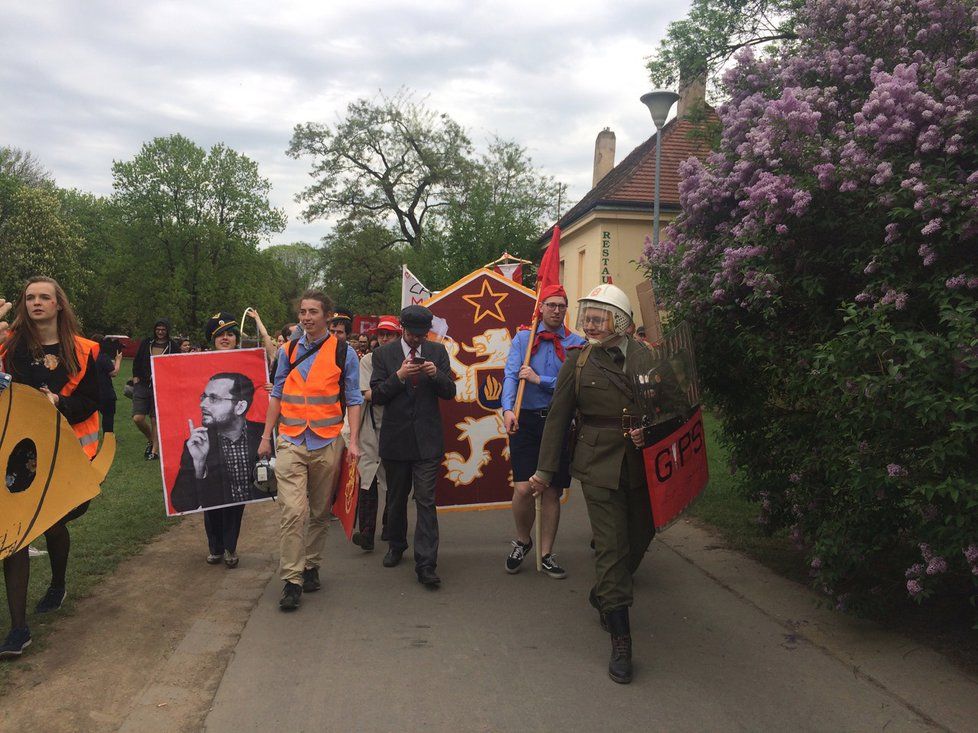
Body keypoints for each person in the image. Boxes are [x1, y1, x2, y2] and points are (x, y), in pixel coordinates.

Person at [529, 283, 659, 685]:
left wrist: (649, 432)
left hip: (641, 465)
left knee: (642, 534)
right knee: (611, 546)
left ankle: (604, 591)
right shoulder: (578, 362)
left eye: (599, 318)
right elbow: (557, 417)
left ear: (620, 321)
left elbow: (670, 406)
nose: (590, 324)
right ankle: (621, 635)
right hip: (598, 464)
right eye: (587, 316)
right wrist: (545, 472)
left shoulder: (648, 357)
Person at [0, 277, 101, 659]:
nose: (37, 303)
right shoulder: (11, 348)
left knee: (52, 523)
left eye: (45, 297)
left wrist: (58, 402)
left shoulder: (84, 350)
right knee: (17, 532)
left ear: (59, 304)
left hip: (69, 455)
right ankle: (18, 629)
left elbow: (93, 401)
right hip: (20, 453)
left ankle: (57, 583)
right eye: (30, 298)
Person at [258, 291, 362, 611]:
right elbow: (277, 394)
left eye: (313, 312)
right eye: (302, 311)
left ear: (327, 316)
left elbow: (355, 400)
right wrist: (266, 437)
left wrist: (354, 440)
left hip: (327, 441)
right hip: (290, 439)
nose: (306, 317)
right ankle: (291, 580)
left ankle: (312, 565)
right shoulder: (289, 350)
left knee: (318, 511)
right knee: (293, 510)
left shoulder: (344, 353)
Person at [501, 284, 585, 578]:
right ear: (541, 307)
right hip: (525, 420)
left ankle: (547, 553)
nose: (557, 310)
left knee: (551, 491)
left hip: (559, 422)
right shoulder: (524, 340)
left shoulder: (577, 344)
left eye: (561, 305)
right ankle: (523, 541)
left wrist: (540, 379)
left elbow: (573, 384)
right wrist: (508, 409)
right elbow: (510, 375)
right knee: (524, 488)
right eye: (551, 305)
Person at [370, 305, 456, 588]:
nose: (419, 339)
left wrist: (436, 374)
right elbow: (378, 395)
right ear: (403, 329)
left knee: (426, 500)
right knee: (396, 498)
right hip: (396, 440)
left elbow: (450, 392)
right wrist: (400, 376)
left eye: (423, 334)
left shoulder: (437, 352)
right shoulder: (383, 354)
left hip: (427, 440)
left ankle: (426, 563)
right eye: (414, 334)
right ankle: (396, 544)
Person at [350, 316, 401, 552]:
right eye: (381, 333)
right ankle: (367, 532)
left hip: (399, 426)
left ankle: (390, 525)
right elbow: (367, 393)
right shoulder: (369, 360)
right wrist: (393, 386)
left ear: (398, 335)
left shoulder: (406, 360)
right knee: (367, 478)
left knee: (395, 480)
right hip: (372, 425)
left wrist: (384, 390)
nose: (384, 338)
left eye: (389, 334)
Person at [132, 319, 179, 460]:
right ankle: (151, 439)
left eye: (163, 329)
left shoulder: (172, 346)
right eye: (158, 329)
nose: (160, 332)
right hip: (143, 384)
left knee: (154, 418)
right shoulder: (147, 343)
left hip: (162, 385)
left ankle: (155, 451)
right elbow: (137, 359)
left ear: (167, 331)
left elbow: (176, 365)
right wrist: (135, 376)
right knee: (138, 418)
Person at [92, 334, 123, 433]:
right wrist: (118, 360)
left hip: (92, 392)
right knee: (108, 417)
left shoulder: (89, 356)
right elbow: (113, 372)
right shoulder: (102, 356)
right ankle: (108, 438)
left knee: (91, 418)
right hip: (105, 392)